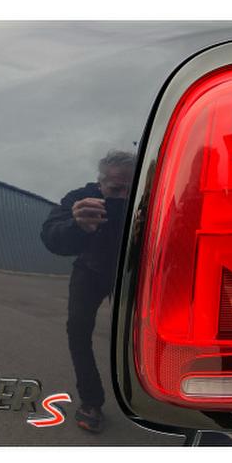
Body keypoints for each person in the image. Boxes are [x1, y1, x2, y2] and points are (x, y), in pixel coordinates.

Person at [40, 150, 135, 432]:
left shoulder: (148, 199)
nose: (123, 197)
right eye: (115, 189)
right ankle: (91, 401)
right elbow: (51, 237)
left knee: (147, 335)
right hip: (90, 269)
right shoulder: (81, 198)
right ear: (100, 183)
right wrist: (77, 226)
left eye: (130, 189)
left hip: (134, 272)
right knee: (78, 330)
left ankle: (159, 396)